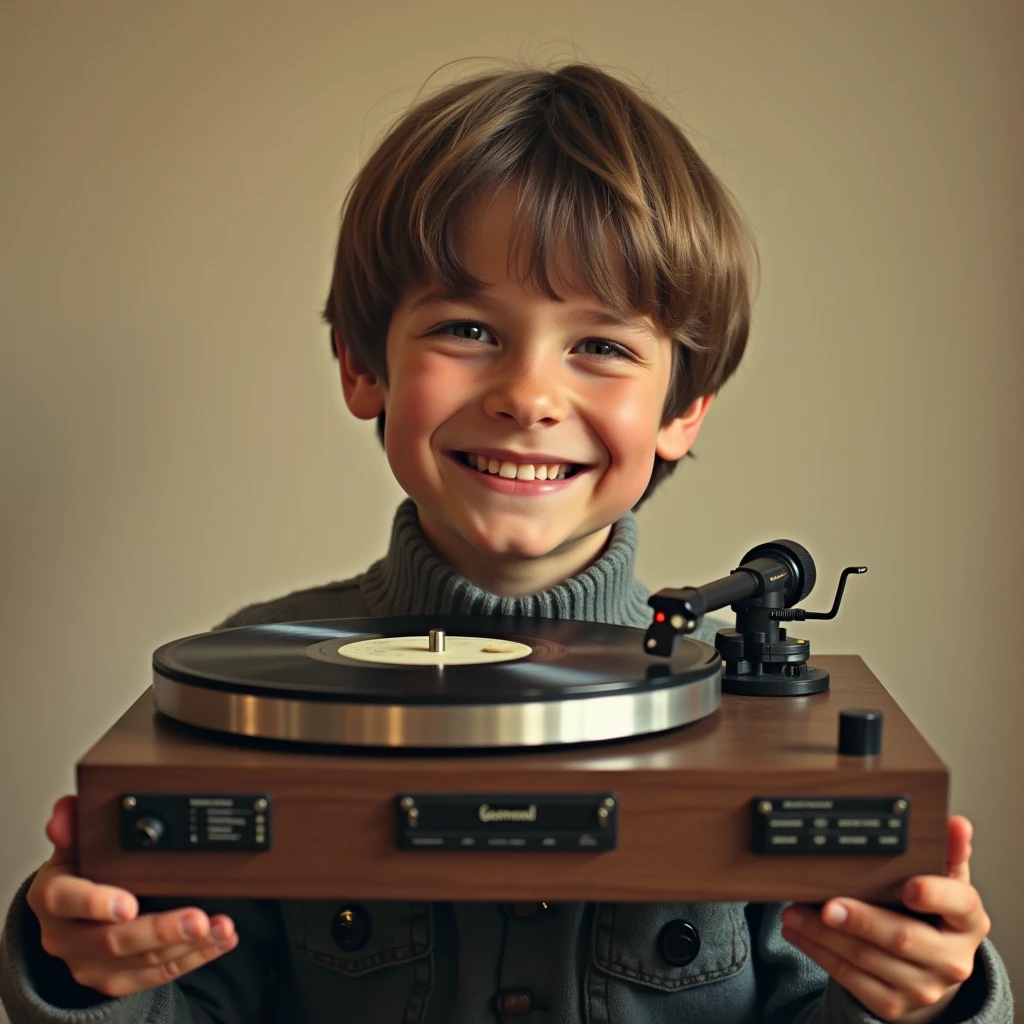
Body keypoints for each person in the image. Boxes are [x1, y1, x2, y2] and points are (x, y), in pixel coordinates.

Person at [0, 63, 1011, 1024]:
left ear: (684, 408)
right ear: (363, 366)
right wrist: (85, 971)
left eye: (602, 346)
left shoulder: (757, 718)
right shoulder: (254, 683)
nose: (529, 394)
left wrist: (920, 996)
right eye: (466, 329)